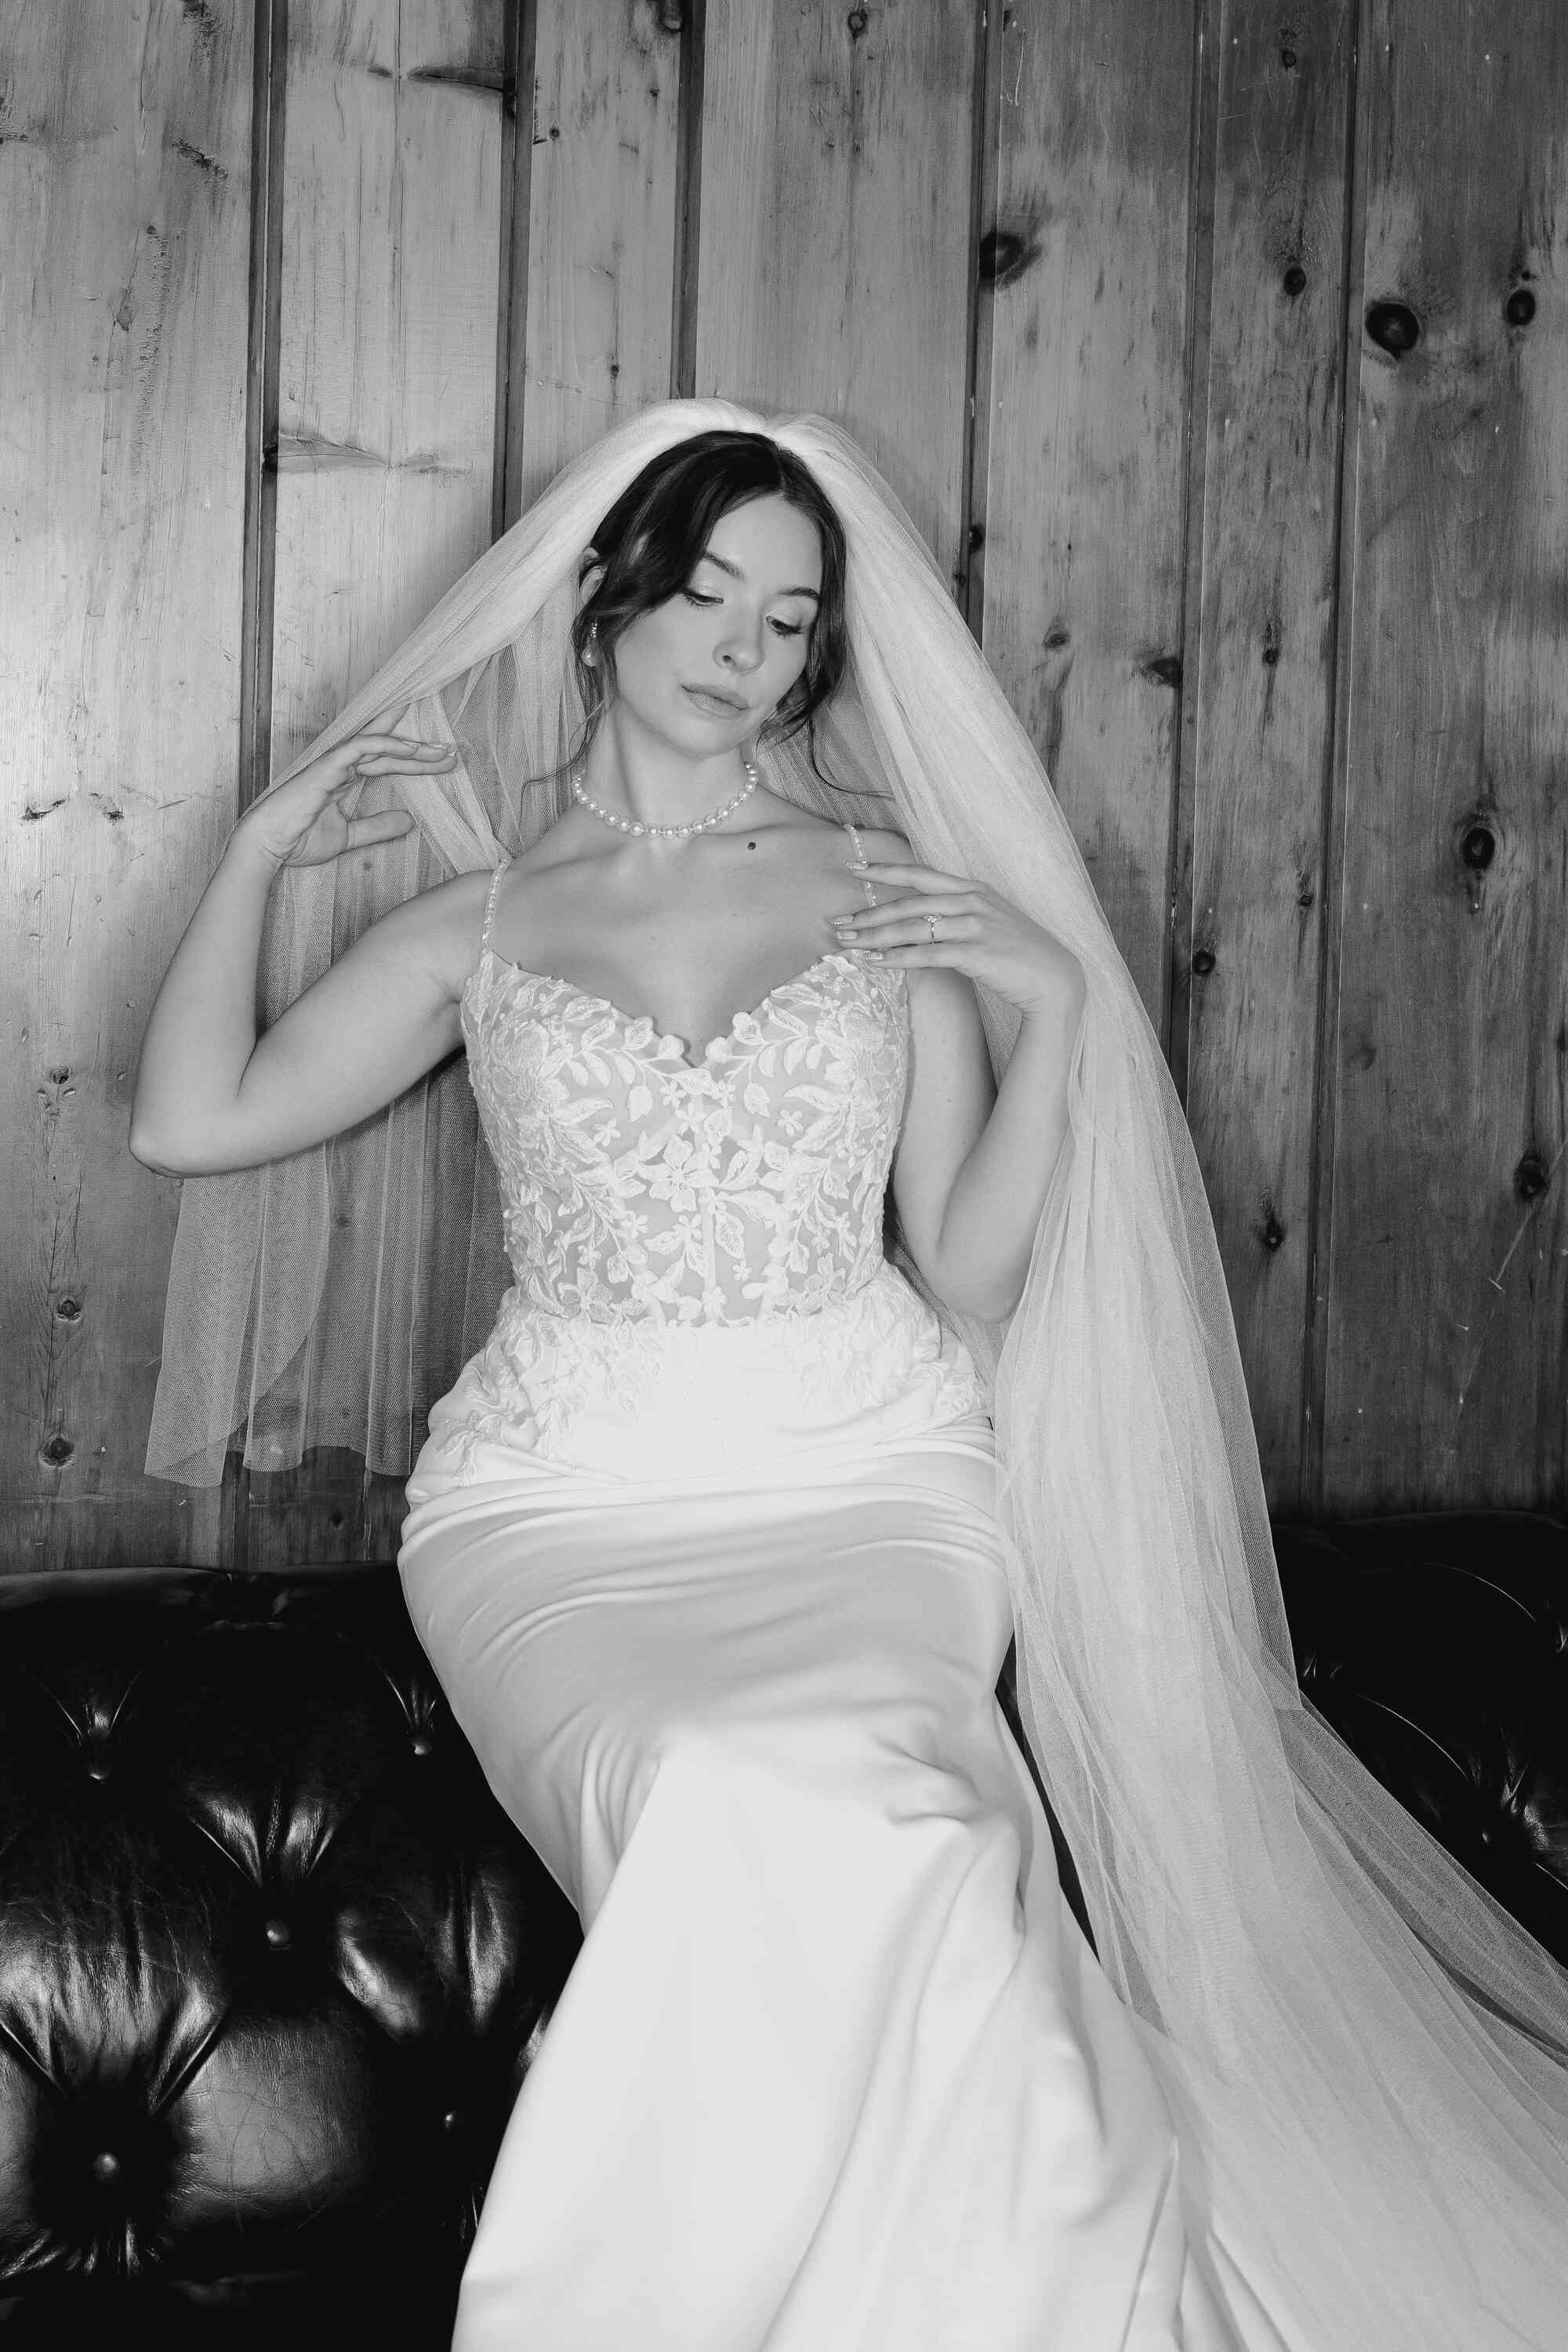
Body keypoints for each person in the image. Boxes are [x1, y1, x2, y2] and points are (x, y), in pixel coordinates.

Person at [133, 405, 1568, 2350]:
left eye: (792, 619)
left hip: (867, 1480)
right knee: (714, 1777)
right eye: (708, 591)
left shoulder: (881, 886)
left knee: (880, 1800)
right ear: (604, 606)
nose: (744, 644)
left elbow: (970, 1263)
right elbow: (194, 1122)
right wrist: (269, 840)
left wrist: (1052, 1007)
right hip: (563, 1508)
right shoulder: (474, 924)